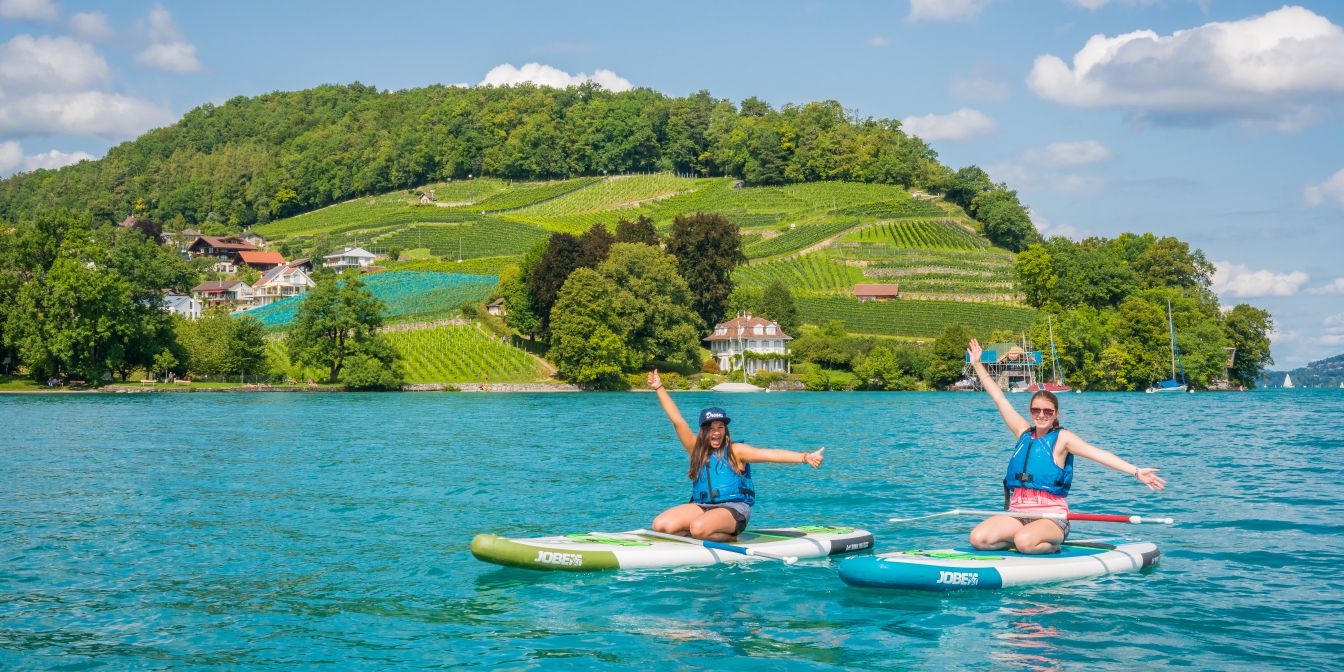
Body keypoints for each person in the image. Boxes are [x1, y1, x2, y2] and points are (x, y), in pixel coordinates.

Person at [966, 338, 1167, 554]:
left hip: (1051, 518)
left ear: (1056, 414)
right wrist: (977, 364)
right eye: (1036, 411)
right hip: (1018, 514)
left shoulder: (1063, 439)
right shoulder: (1022, 432)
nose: (1041, 415)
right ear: (1031, 411)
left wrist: (1136, 472)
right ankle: (1024, 542)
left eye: (1047, 411)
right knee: (979, 539)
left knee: (1025, 542)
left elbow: (1099, 455)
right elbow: (999, 399)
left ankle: (1048, 546)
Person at [647, 369, 824, 541]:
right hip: (702, 506)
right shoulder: (695, 449)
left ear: (725, 430)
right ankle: (702, 533)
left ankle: (727, 537)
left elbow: (769, 454)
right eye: (710, 428)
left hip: (733, 509)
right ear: (703, 431)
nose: (716, 432)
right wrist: (659, 388)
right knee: (661, 525)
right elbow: (677, 420)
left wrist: (804, 457)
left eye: (720, 427)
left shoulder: (735, 451)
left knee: (698, 528)